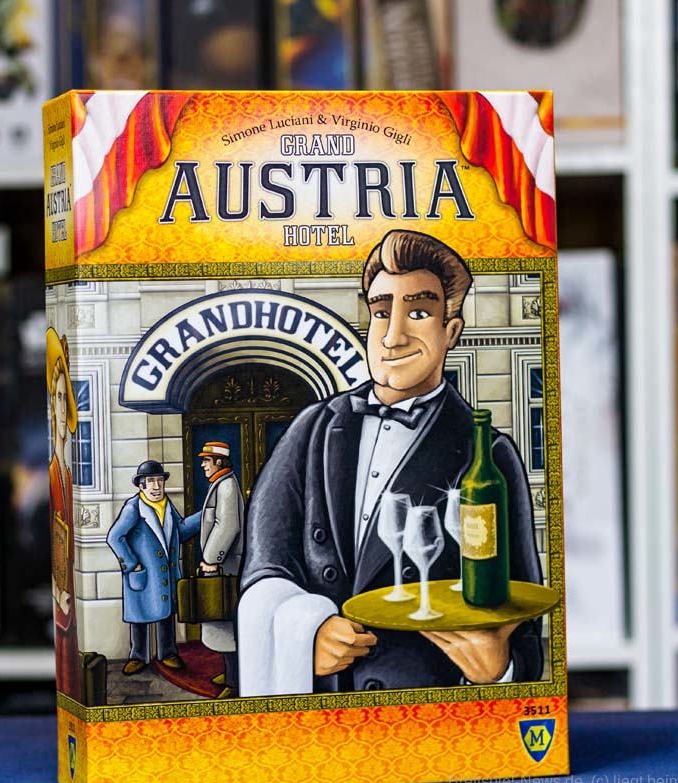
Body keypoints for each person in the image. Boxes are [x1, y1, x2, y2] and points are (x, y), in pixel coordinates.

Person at [238, 229, 544, 696]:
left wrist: (498, 668)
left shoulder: (487, 452)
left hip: (425, 708)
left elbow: (525, 617)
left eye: (418, 313)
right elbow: (265, 565)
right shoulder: (312, 429)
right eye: (382, 312)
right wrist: (307, 633)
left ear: (451, 332)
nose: (394, 336)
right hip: (323, 706)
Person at [106, 460, 199, 675]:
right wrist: (132, 564)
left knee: (166, 613)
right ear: (141, 485)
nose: (156, 487)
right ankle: (138, 656)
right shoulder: (133, 508)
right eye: (151, 482)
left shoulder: (167, 506)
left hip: (165, 574)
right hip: (143, 574)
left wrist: (204, 516)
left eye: (159, 481)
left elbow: (180, 530)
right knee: (140, 614)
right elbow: (114, 537)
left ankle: (167, 653)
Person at [191, 442, 244, 699]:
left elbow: (227, 526)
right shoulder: (222, 483)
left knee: (226, 622)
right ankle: (229, 672)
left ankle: (234, 682)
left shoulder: (226, 486)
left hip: (226, 566)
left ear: (219, 462)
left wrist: (211, 559)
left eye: (207, 460)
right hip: (223, 565)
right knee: (222, 622)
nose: (203, 464)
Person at [47, 327, 79, 697]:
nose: (60, 405)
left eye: (63, 397)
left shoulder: (67, 472)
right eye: (56, 397)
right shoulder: (55, 472)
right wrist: (59, 593)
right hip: (63, 604)